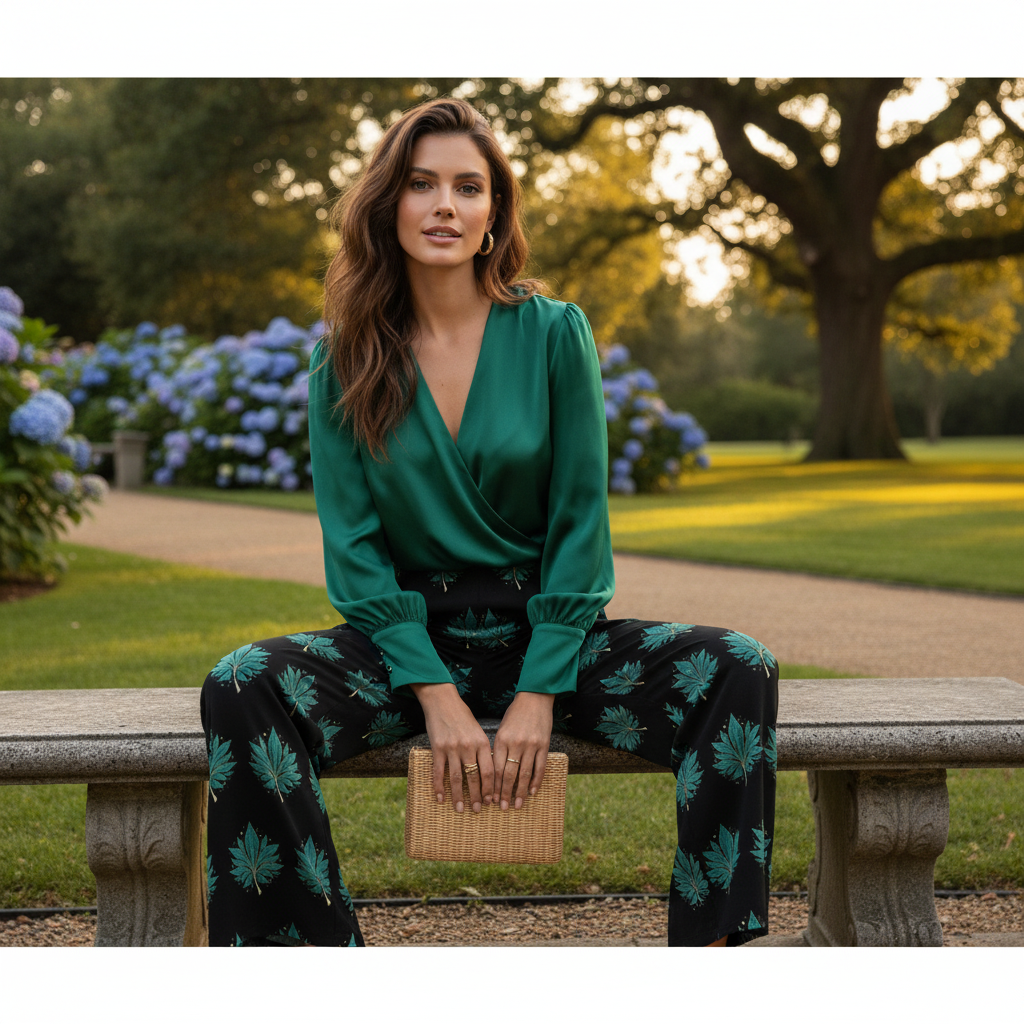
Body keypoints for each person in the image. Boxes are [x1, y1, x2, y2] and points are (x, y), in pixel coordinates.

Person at [200, 97, 778, 948]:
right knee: (242, 682)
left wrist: (539, 690)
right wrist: (435, 694)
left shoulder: (553, 333)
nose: (445, 205)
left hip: (553, 642)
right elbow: (354, 550)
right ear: (387, 204)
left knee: (739, 668)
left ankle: (714, 956)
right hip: (403, 654)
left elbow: (581, 523)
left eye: (468, 187)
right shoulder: (344, 357)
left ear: (493, 212)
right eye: (422, 184)